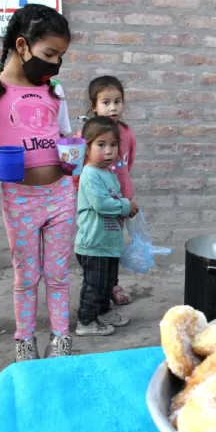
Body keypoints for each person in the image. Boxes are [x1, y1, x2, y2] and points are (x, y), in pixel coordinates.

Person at [0, 4, 74, 362]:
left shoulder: (55, 90)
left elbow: (65, 137)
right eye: (50, 54)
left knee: (58, 275)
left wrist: (75, 157)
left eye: (60, 56)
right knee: (26, 276)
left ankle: (60, 339)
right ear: (23, 45)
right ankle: (24, 341)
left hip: (60, 195)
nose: (56, 63)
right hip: (20, 199)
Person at [72, 75, 137, 306]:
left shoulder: (127, 133)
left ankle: (112, 282)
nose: (113, 107)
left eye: (118, 101)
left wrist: (125, 196)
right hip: (96, 199)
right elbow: (76, 167)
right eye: (106, 102)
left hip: (120, 196)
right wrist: (82, 190)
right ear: (93, 106)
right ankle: (99, 290)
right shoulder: (84, 136)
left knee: (114, 241)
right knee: (99, 242)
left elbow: (127, 163)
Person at [75, 117, 139, 337]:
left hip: (108, 242)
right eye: (101, 145)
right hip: (94, 243)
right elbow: (101, 204)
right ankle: (85, 320)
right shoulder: (90, 173)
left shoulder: (107, 172)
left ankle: (102, 312)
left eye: (113, 145)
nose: (109, 150)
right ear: (86, 148)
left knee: (107, 283)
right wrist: (125, 205)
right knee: (95, 284)